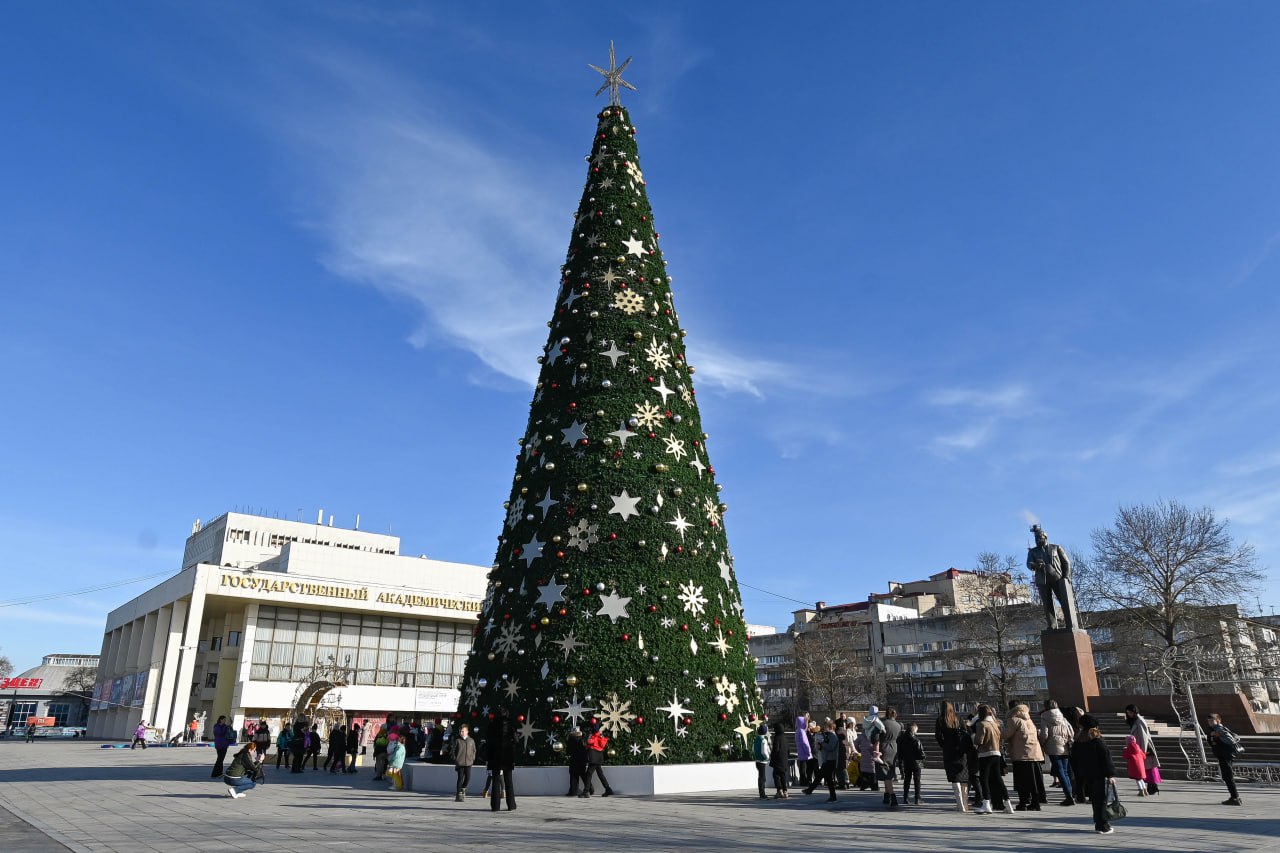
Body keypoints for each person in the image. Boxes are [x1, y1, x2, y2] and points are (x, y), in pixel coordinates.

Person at [1071, 715, 1117, 833]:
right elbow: (1106, 759)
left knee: (1095, 801)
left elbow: (1074, 761)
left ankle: (1099, 823)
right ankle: (1102, 825)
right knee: (1101, 800)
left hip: (1084, 776)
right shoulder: (1097, 741)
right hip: (1098, 775)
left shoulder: (1078, 741)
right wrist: (1110, 775)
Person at [1003, 702, 1045, 810]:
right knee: (1034, 780)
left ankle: (1023, 802)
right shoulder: (1029, 720)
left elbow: (1006, 734)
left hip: (1021, 754)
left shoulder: (1013, 720)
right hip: (1034, 753)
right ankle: (1036, 802)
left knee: (1021, 781)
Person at [973, 704, 1012, 815]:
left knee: (984, 779)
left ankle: (986, 804)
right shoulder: (995, 724)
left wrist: (974, 738)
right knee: (998, 779)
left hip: (985, 754)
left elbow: (979, 741)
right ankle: (1008, 803)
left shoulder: (981, 724)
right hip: (996, 753)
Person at [1038, 700, 1077, 806]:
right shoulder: (1063, 717)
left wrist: (1041, 743)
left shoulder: (1044, 717)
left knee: (1060, 772)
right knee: (1065, 772)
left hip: (1053, 747)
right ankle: (1071, 794)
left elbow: (1044, 734)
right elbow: (1071, 732)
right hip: (1065, 746)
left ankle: (1068, 796)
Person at [934, 701, 970, 812]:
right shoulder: (958, 718)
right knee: (964, 778)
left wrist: (944, 746)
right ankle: (965, 803)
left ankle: (960, 804)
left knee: (954, 778)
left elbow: (938, 736)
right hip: (961, 751)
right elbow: (965, 732)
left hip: (949, 751)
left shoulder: (940, 720)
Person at [1205, 713, 1243, 806]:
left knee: (1228, 777)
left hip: (1226, 756)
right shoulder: (1215, 730)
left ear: (1217, 721)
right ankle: (1233, 797)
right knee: (1226, 777)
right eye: (1208, 721)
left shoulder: (1219, 729)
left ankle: (1235, 798)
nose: (1210, 723)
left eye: (1211, 721)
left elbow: (1230, 740)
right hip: (1223, 756)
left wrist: (1217, 735)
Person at [1124, 704, 1160, 796]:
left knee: (1146, 769)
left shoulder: (1139, 721)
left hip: (1143, 748)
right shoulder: (1136, 721)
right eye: (1127, 713)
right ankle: (1148, 788)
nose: (1129, 714)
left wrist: (1142, 752)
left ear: (1135, 712)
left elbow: (1144, 738)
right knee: (1144, 769)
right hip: (1139, 748)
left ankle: (1151, 787)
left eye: (1130, 712)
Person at [486, 708, 517, 812]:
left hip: (495, 756)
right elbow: (516, 739)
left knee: (495, 780)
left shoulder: (491, 725)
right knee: (509, 781)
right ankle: (511, 804)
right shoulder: (511, 725)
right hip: (507, 755)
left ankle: (495, 805)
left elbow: (487, 741)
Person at [804, 720, 840, 802]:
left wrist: (822, 744)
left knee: (820, 776)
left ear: (831, 727)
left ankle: (810, 790)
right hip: (828, 760)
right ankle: (832, 796)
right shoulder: (830, 735)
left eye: (826, 727)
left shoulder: (833, 736)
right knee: (828, 778)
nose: (824, 728)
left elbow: (830, 747)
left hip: (831, 760)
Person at [878, 708, 903, 809]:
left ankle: (893, 797)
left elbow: (877, 735)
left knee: (886, 773)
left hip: (884, 747)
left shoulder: (883, 723)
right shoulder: (898, 725)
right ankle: (886, 795)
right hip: (894, 747)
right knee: (889, 772)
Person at [897, 721, 926, 805]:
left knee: (907, 780)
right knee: (917, 781)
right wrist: (923, 757)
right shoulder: (916, 740)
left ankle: (905, 797)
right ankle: (917, 798)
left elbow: (900, 753)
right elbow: (921, 753)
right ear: (914, 729)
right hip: (916, 763)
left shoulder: (901, 739)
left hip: (906, 762)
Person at [585, 723, 614, 796]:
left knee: (588, 774)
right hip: (599, 757)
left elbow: (588, 742)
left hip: (593, 758)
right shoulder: (601, 736)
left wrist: (589, 735)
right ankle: (608, 789)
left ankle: (586, 791)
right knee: (600, 774)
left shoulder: (593, 736)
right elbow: (603, 745)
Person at [451, 723, 477, 802]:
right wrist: (455, 759)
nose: (461, 733)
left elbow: (474, 751)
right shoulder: (457, 740)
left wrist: (472, 759)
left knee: (468, 778)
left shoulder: (471, 740)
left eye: (463, 731)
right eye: (460, 731)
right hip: (460, 763)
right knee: (460, 778)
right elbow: (453, 751)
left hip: (468, 762)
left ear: (467, 732)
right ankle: (458, 795)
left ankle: (463, 788)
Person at [566, 727, 590, 797]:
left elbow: (568, 751)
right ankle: (589, 789)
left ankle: (573, 792)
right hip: (583, 759)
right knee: (583, 775)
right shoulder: (583, 739)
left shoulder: (571, 740)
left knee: (573, 776)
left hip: (574, 759)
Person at [769, 721, 790, 799]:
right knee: (783, 776)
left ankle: (779, 790)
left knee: (776, 775)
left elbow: (775, 750)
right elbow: (788, 750)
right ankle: (785, 791)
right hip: (784, 760)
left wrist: (772, 756)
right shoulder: (785, 738)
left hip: (778, 761)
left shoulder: (777, 738)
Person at [854, 726, 878, 791]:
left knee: (864, 772)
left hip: (864, 756)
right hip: (872, 755)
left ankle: (864, 785)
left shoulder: (862, 736)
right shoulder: (873, 735)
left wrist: (859, 750)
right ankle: (874, 786)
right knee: (872, 772)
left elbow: (855, 743)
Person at [794, 713, 813, 787]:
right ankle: (804, 780)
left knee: (802, 767)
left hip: (800, 752)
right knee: (804, 767)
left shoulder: (798, 731)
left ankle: (802, 780)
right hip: (804, 752)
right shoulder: (802, 732)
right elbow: (805, 743)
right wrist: (808, 751)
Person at [751, 723, 770, 799]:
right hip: (762, 761)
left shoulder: (756, 739)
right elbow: (764, 751)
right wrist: (767, 757)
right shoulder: (763, 740)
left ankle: (761, 793)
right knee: (762, 778)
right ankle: (762, 794)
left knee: (760, 777)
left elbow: (753, 749)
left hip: (757, 760)